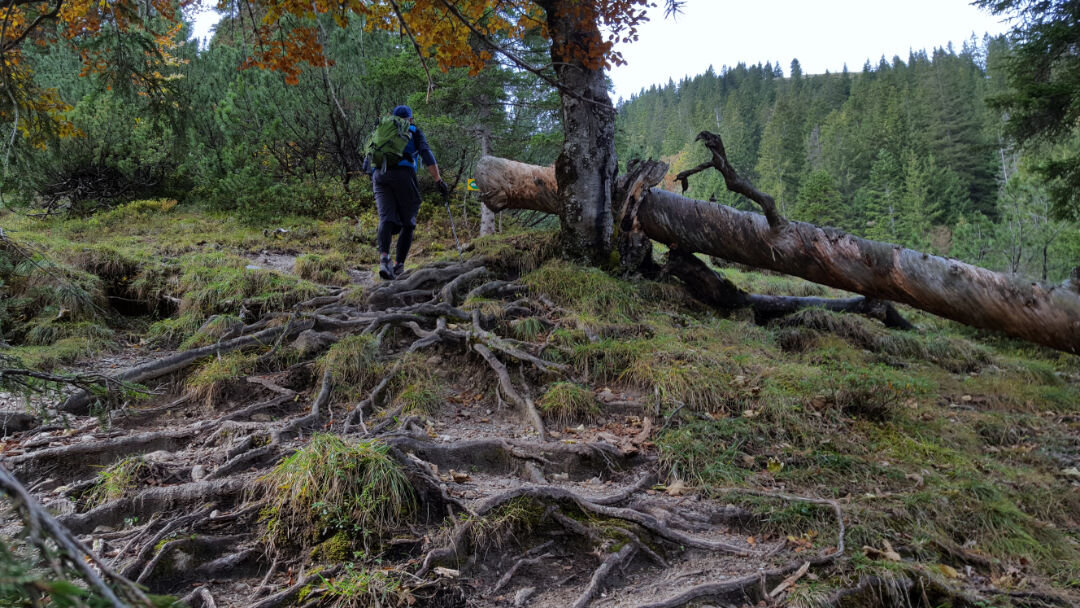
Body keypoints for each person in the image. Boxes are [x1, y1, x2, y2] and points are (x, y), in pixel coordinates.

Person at [371, 105, 450, 280]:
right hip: (403, 175)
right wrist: (438, 180)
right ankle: (399, 265)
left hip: (379, 176)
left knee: (386, 218)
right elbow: (426, 154)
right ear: (410, 119)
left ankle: (384, 259)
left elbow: (368, 157)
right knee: (408, 222)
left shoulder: (382, 130)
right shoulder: (413, 131)